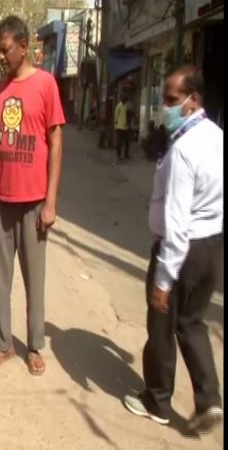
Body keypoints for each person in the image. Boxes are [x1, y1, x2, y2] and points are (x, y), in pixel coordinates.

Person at [123, 66, 224, 432]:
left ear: (192, 101)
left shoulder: (184, 149)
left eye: (170, 100)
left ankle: (157, 399)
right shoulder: (216, 136)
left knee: (162, 323)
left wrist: (164, 278)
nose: (163, 106)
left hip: (182, 251)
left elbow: (177, 222)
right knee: (192, 323)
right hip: (212, 246)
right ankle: (209, 400)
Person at [0, 15, 65, 375]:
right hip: (1, 200)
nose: (1, 56)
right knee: (0, 278)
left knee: (34, 278)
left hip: (33, 202)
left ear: (24, 47)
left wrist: (51, 201)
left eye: (6, 49)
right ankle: (3, 345)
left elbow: (56, 142)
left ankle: (34, 345)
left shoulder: (46, 85)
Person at [114, 93, 131, 161]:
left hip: (125, 127)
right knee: (119, 142)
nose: (125, 101)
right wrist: (116, 123)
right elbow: (116, 116)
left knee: (127, 142)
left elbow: (128, 115)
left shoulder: (126, 106)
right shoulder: (119, 106)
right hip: (119, 127)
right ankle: (119, 155)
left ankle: (126, 155)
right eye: (125, 99)